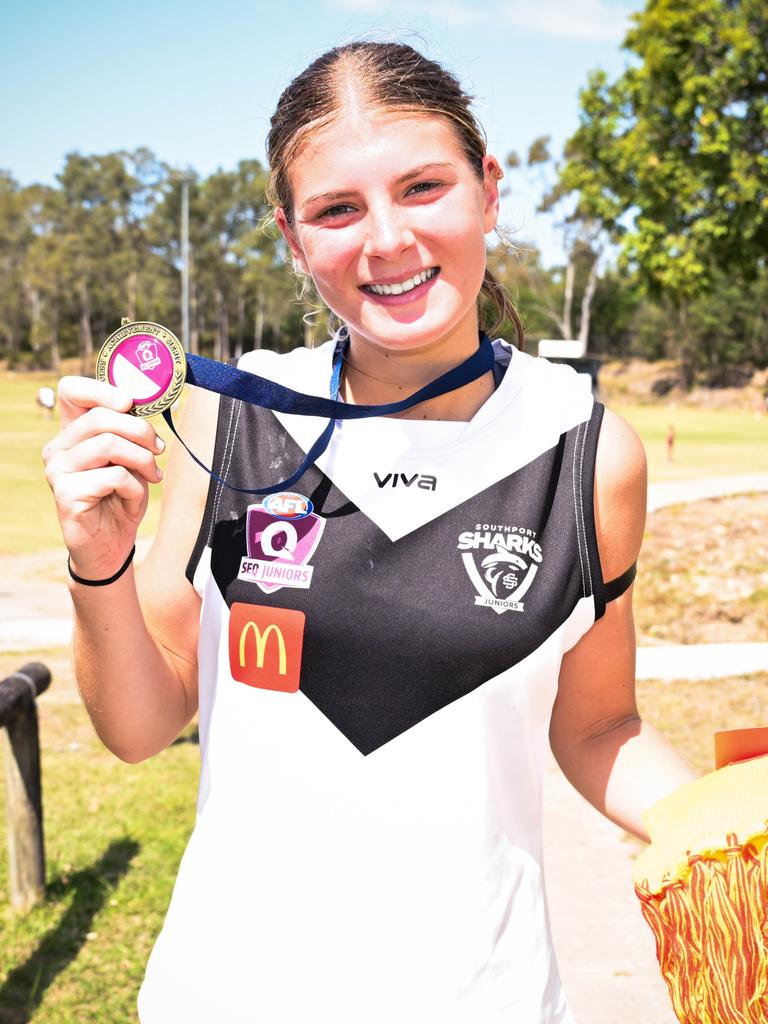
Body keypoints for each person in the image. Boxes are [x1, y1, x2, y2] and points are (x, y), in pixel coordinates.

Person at [43, 41, 698, 1024]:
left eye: (424, 186)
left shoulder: (589, 452)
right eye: (337, 209)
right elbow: (139, 727)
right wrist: (98, 567)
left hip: (489, 1001)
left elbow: (599, 723)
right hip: (226, 996)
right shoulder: (234, 422)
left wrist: (731, 828)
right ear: (293, 238)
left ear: (487, 187)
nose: (386, 238)